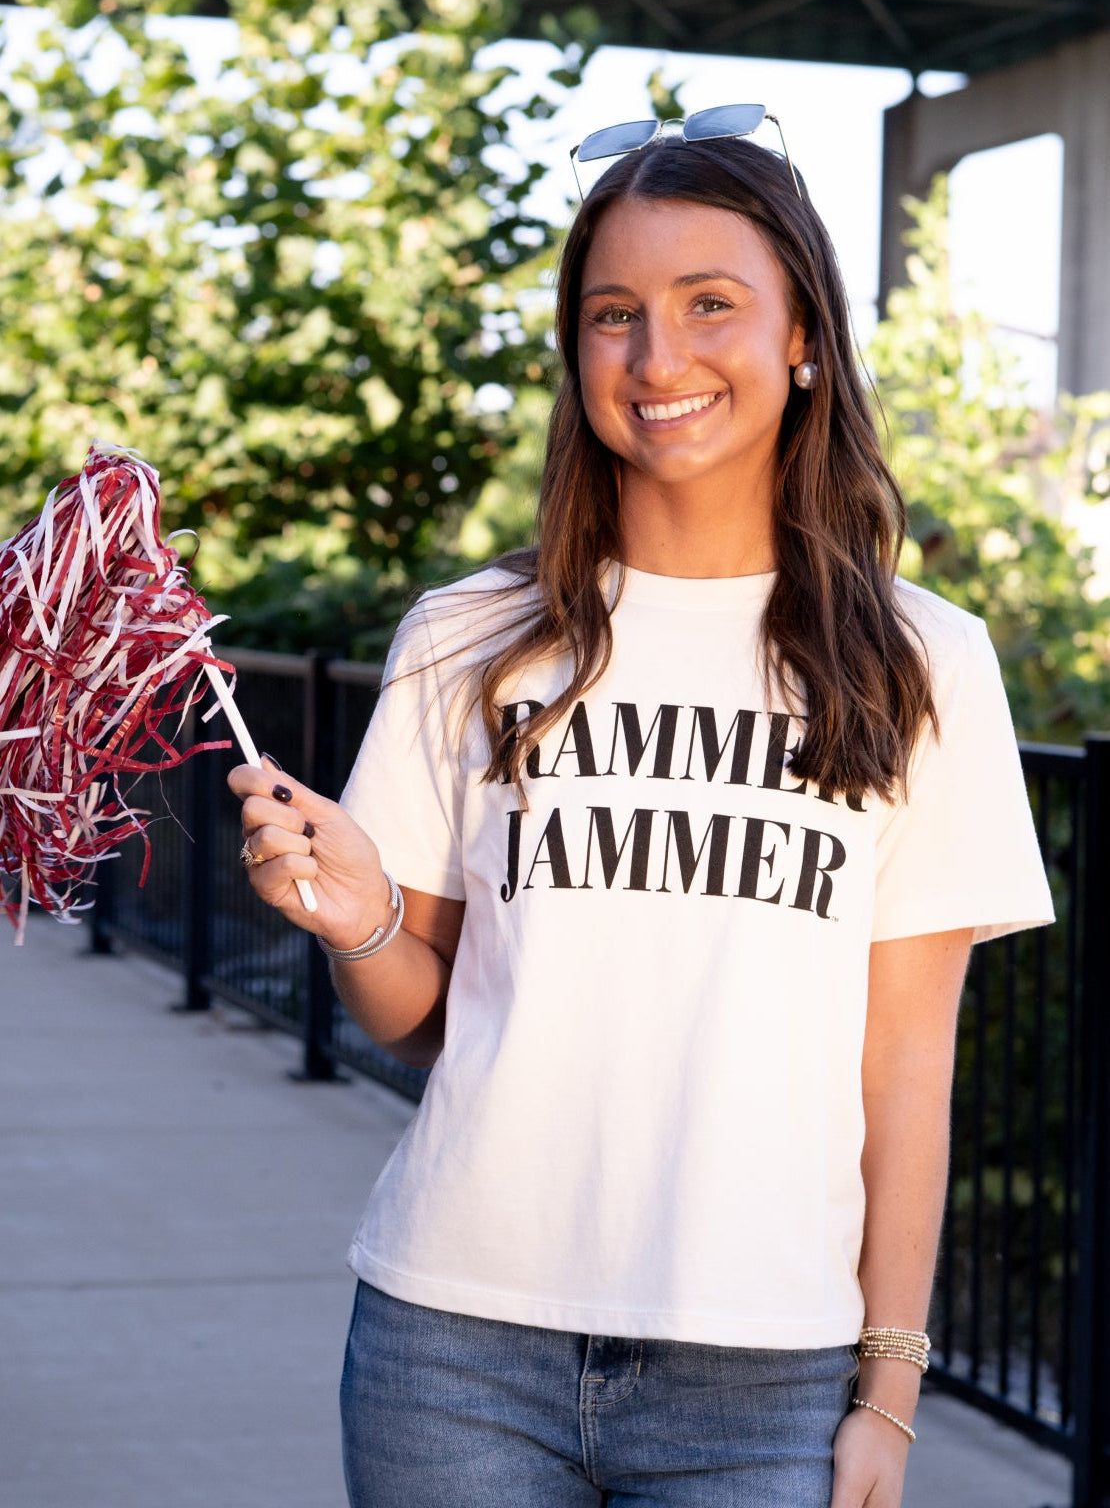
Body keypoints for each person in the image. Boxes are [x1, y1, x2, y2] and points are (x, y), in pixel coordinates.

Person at [228, 109, 1054, 1508]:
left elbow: (905, 1068)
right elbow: (418, 1018)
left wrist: (889, 1394)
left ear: (803, 339)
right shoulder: (468, 636)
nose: (657, 358)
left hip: (764, 1376)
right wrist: (359, 923)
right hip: (453, 1347)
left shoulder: (922, 662)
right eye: (613, 315)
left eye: (709, 305)